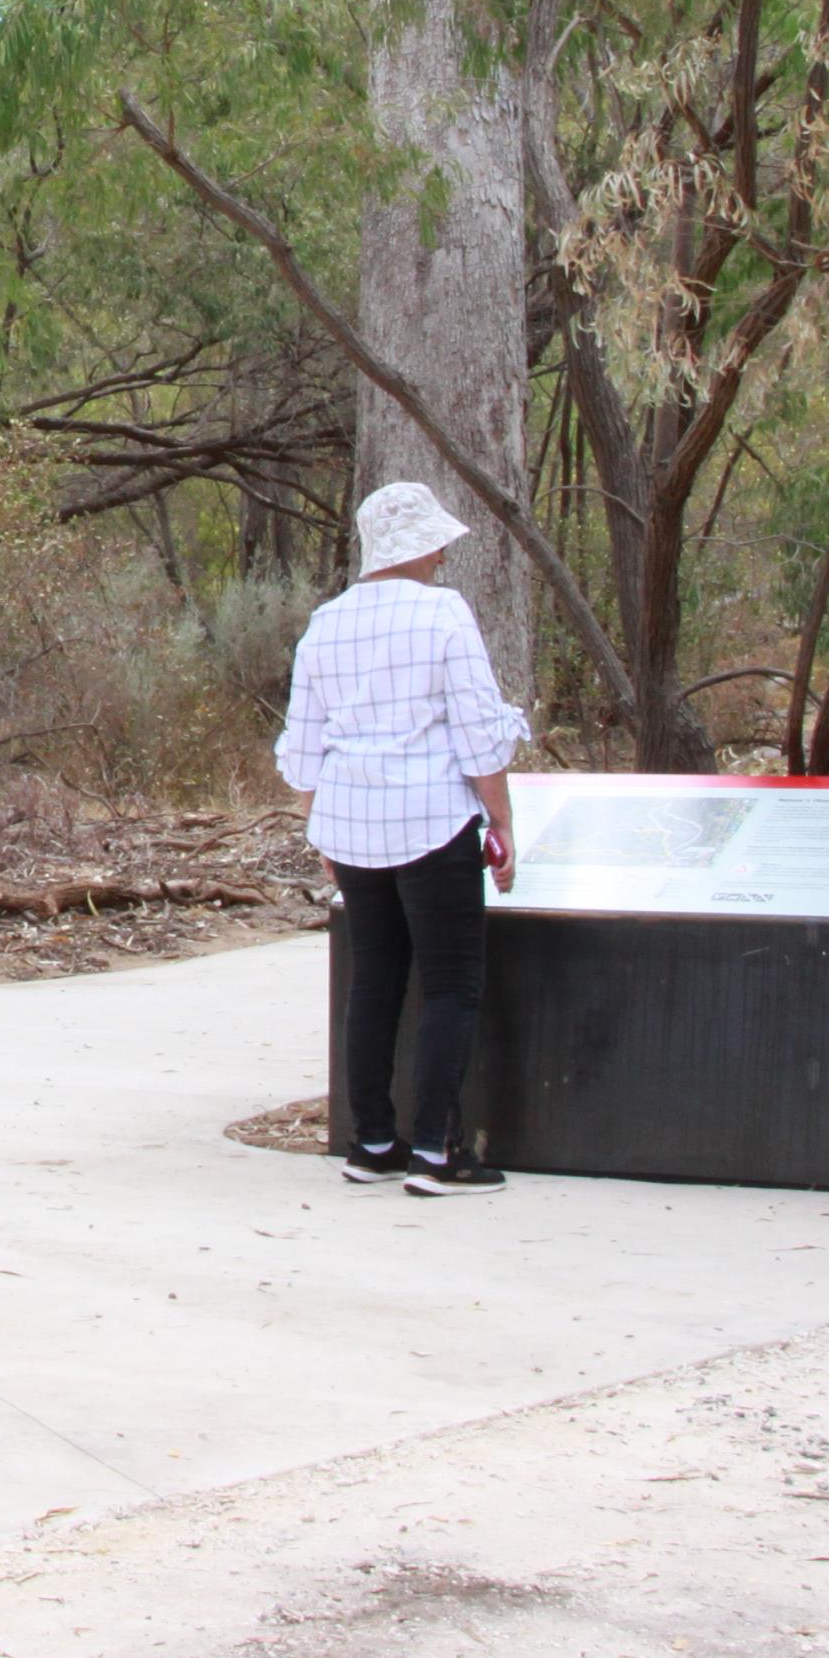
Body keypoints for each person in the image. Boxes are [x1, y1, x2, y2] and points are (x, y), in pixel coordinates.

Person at [277, 480, 531, 1196]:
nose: (445, 554)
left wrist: (319, 825)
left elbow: (303, 750)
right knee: (452, 985)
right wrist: (501, 820)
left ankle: (373, 1142)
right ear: (420, 544)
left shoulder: (324, 623)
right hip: (432, 822)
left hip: (353, 827)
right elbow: (479, 733)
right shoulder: (444, 615)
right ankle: (436, 1151)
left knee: (375, 982)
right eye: (438, 543)